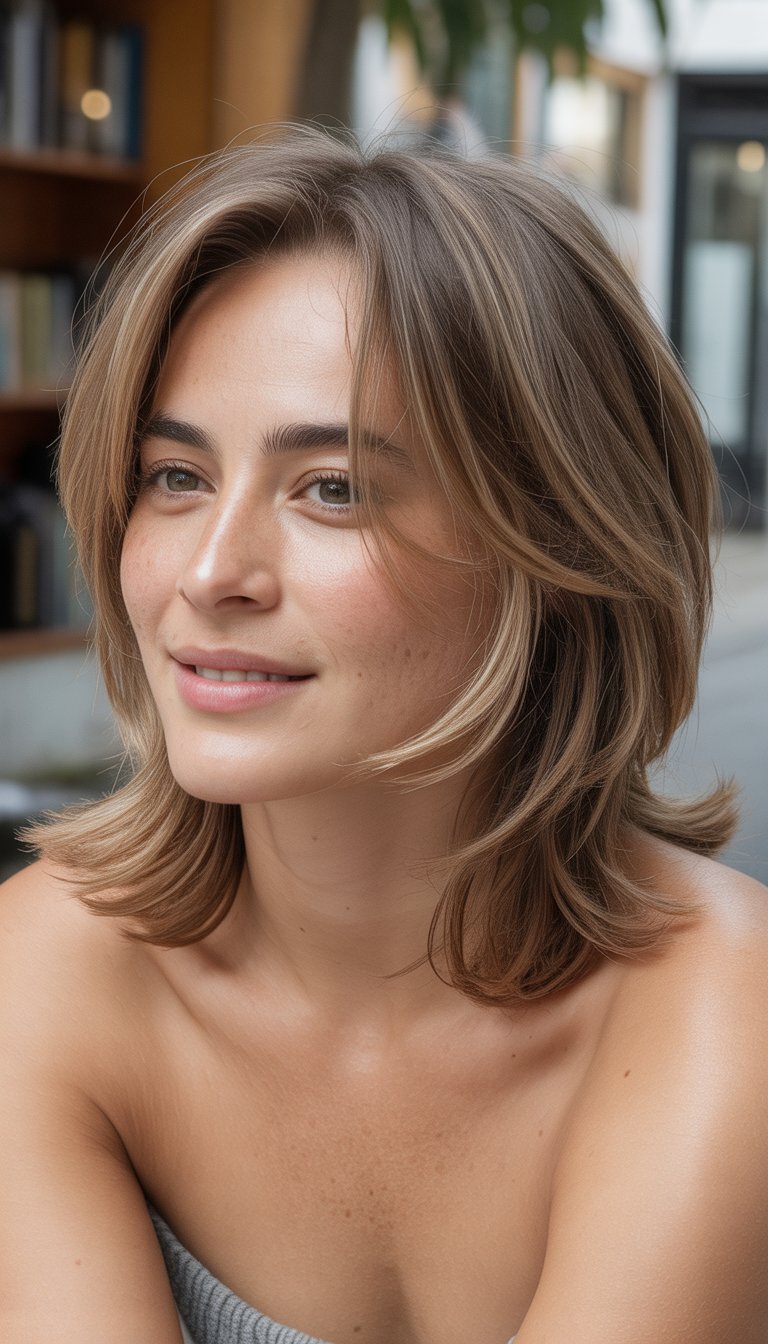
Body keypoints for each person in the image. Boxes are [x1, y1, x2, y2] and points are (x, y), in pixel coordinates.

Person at [1, 126, 767, 1344]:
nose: (210, 572)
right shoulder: (48, 972)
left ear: (556, 546)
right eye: (175, 476)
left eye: (333, 489)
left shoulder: (720, 1000)